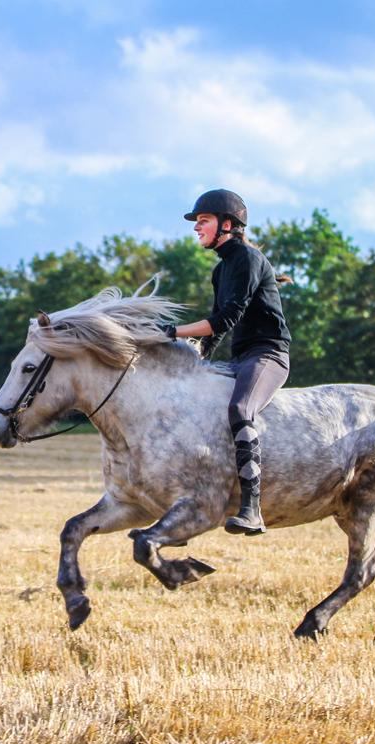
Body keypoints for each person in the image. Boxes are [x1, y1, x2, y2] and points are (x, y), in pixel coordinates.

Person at [160, 189, 291, 536]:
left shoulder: (248, 259)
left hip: (268, 355)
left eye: (203, 221)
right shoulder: (221, 271)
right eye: (197, 222)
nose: (196, 228)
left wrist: (173, 332)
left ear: (227, 224)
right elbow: (215, 331)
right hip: (240, 358)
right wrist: (195, 360)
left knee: (240, 410)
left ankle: (252, 509)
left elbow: (224, 319)